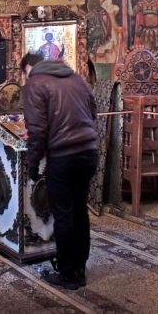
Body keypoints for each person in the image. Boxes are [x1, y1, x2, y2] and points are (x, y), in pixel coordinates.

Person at [21, 52, 98, 290]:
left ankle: (67, 274)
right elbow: (93, 112)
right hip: (88, 152)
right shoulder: (76, 78)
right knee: (79, 212)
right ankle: (79, 269)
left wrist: (32, 164)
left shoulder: (36, 83)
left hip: (63, 156)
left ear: (28, 69)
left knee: (63, 215)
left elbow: (37, 129)